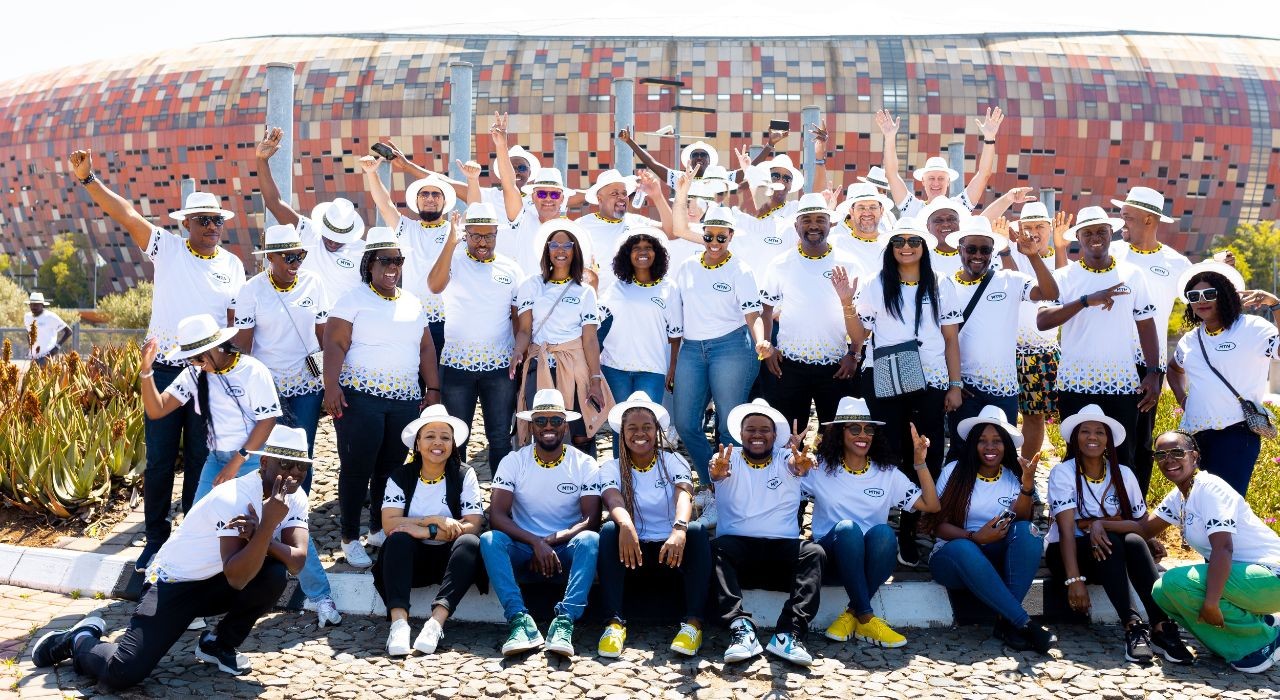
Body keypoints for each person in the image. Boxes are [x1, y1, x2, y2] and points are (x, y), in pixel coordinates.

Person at [68, 148, 246, 571]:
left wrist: (232, 368)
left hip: (209, 376)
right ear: (186, 224)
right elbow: (127, 214)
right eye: (203, 220)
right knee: (161, 460)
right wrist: (89, 179)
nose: (212, 227)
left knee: (203, 459)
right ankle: (155, 540)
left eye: (217, 220)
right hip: (166, 370)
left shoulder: (234, 264)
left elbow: (235, 322)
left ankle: (193, 538)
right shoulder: (167, 247)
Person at [32, 425, 312, 689]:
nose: (294, 473)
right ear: (264, 463)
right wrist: (267, 526)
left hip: (216, 582)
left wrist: (262, 535)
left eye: (302, 466)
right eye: (285, 464)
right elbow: (237, 578)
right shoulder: (234, 498)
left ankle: (218, 644)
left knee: (274, 575)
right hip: (172, 584)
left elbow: (297, 561)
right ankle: (79, 638)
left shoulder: (294, 496)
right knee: (123, 672)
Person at [231, 223, 340, 627]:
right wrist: (240, 395)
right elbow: (242, 346)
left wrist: (330, 383)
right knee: (270, 472)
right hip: (267, 391)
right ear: (270, 259)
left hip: (306, 387)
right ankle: (277, 544)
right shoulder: (252, 290)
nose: (296, 263)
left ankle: (292, 528)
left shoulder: (314, 283)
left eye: (300, 256)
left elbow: (324, 335)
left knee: (298, 468)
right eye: (289, 257)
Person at [323, 226, 440, 568]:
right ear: (369, 264)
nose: (392, 267)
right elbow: (335, 343)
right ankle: (349, 537)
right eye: (385, 260)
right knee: (357, 467)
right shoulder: (351, 300)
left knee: (390, 468)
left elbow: (426, 347)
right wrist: (331, 386)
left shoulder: (412, 301)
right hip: (360, 398)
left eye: (397, 261)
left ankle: (377, 527)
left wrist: (433, 389)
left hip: (404, 399)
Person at [848, 217, 962, 566]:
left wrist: (955, 384)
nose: (907, 247)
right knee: (887, 451)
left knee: (927, 452)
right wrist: (845, 302)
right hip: (886, 377)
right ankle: (879, 522)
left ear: (924, 247)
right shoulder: (876, 283)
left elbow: (951, 338)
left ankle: (910, 527)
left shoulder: (940, 283)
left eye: (914, 241)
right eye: (899, 241)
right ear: (891, 248)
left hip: (930, 380)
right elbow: (859, 336)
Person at [1045, 405, 1194, 665]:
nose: (1092, 437)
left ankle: (1161, 626)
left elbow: (1139, 525)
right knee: (1113, 539)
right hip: (1068, 556)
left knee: (1134, 541)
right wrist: (1074, 580)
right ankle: (1133, 626)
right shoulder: (1063, 472)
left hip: (1111, 555)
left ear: (1108, 440)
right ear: (1075, 438)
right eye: (1085, 431)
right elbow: (1067, 530)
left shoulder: (1123, 473)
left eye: (1100, 432)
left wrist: (1103, 525)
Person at [1038, 206, 1163, 493]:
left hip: (1122, 383)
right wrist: (1086, 300)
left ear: (1111, 233)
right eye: (1088, 233)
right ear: (1078, 238)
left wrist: (1153, 373)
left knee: (1124, 455)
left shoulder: (1132, 274)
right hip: (1075, 383)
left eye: (1101, 232)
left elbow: (1146, 325)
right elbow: (1043, 320)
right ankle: (1075, 512)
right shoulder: (1064, 276)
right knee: (1076, 454)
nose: (1095, 237)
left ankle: (1125, 515)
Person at [668, 202, 772, 526]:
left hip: (732, 347)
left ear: (731, 236)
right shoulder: (687, 267)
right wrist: (673, 362)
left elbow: (753, 315)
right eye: (708, 236)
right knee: (685, 423)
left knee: (728, 427)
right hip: (692, 349)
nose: (714, 243)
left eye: (721, 237)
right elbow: (677, 317)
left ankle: (725, 497)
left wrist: (761, 340)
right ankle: (712, 484)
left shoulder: (741, 269)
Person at [806, 397, 940, 648]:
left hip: (871, 566)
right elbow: (782, 491)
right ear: (839, 433)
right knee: (848, 529)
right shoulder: (818, 468)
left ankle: (853, 613)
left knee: (884, 534)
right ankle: (867, 617)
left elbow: (931, 505)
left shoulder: (886, 473)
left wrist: (919, 461)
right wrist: (788, 464)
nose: (863, 435)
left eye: (869, 429)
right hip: (831, 561)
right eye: (854, 428)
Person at [480, 389, 602, 658]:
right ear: (531, 425)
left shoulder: (585, 464)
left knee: (590, 540)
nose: (549, 427)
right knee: (490, 540)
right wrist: (535, 542)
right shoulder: (513, 461)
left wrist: (550, 541)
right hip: (524, 547)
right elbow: (497, 515)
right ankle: (520, 621)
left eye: (556, 420)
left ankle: (565, 621)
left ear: (565, 426)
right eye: (541, 421)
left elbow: (591, 519)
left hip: (565, 547)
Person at [1147, 430, 1280, 673]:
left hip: (1272, 576)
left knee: (1176, 581)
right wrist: (1097, 525)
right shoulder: (1180, 496)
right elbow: (1142, 528)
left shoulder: (1210, 488)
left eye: (1177, 452)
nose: (1169, 459)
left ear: (1195, 456)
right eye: (1161, 455)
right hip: (1246, 581)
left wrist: (1211, 603)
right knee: (1162, 591)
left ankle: (1264, 642)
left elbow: (1223, 548)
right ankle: (1242, 636)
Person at [926, 406, 1054, 653]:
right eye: (982, 440)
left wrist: (1027, 486)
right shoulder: (954, 471)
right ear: (973, 443)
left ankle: (1005, 624)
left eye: (997, 441)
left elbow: (1021, 520)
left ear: (1006, 445)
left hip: (994, 558)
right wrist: (974, 537)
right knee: (965, 548)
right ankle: (1025, 623)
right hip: (953, 559)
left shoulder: (1012, 476)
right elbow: (936, 526)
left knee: (1029, 532)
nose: (990, 447)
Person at [709, 399, 824, 666]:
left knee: (813, 552)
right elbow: (717, 472)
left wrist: (802, 464)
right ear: (740, 433)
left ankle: (789, 634)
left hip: (780, 555)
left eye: (764, 430)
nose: (757, 435)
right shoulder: (726, 457)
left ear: (775, 435)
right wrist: (716, 473)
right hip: (738, 556)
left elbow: (797, 465)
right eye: (751, 429)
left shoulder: (786, 457)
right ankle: (740, 629)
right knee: (715, 548)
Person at [596, 391, 711, 657]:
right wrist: (626, 525)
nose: (640, 433)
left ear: (657, 430)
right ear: (622, 433)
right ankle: (614, 624)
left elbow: (684, 494)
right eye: (632, 428)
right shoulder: (611, 467)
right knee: (610, 530)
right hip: (632, 552)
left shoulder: (673, 460)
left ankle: (693, 625)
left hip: (670, 551)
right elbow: (612, 499)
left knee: (696, 531)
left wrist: (679, 528)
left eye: (647, 427)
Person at [941, 216, 1058, 461]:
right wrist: (954, 384)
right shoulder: (946, 285)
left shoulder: (1010, 280)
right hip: (965, 390)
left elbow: (1050, 292)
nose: (978, 255)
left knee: (1001, 455)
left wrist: (1033, 256)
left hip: (1003, 390)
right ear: (960, 249)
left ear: (992, 252)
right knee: (963, 454)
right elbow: (941, 339)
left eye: (985, 250)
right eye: (971, 249)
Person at [376, 405, 484, 656]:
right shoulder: (400, 476)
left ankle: (435, 624)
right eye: (430, 436)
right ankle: (399, 625)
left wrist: (427, 531)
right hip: (411, 562)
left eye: (445, 437)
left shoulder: (464, 474)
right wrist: (435, 520)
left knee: (470, 543)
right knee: (398, 539)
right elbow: (390, 523)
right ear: (417, 443)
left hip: (451, 562)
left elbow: (473, 524)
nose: (438, 443)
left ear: (453, 444)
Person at [138, 315, 280, 504]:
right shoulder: (193, 373)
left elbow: (268, 421)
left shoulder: (252, 370)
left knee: (251, 518)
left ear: (218, 346)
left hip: (252, 458)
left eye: (198, 357)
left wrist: (236, 462)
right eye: (190, 358)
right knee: (200, 518)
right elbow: (157, 410)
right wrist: (146, 370)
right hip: (216, 459)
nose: (196, 363)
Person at [1169, 261, 1280, 496]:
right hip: (1194, 438)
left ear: (1225, 294)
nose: (1201, 300)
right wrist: (1183, 400)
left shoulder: (1253, 328)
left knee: (1225, 504)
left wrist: (1275, 305)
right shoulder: (1189, 340)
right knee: (1196, 503)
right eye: (1194, 296)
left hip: (1237, 435)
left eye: (1209, 293)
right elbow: (1174, 369)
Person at [428, 203, 523, 470]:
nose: (482, 242)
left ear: (496, 234)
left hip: (500, 367)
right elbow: (434, 286)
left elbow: (517, 319)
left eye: (488, 236)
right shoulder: (453, 261)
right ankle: (455, 492)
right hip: (457, 366)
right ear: (466, 234)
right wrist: (450, 243)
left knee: (500, 437)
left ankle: (502, 492)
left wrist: (521, 355)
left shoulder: (511, 269)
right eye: (475, 236)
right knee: (456, 438)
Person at [1109, 187, 1192, 491]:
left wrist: (1156, 372)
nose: (1122, 223)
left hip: (1148, 368)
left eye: (1127, 217)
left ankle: (1135, 510)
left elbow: (1203, 305)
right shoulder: (1111, 253)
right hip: (1106, 361)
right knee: (1100, 437)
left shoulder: (1177, 264)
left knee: (1139, 442)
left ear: (1148, 219)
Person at [761, 193, 866, 427]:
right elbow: (766, 310)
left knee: (835, 436)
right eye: (806, 220)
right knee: (790, 435)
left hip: (837, 366)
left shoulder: (849, 263)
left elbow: (861, 318)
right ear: (796, 225)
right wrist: (769, 348)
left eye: (820, 219)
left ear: (830, 224)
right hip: (789, 366)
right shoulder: (780, 264)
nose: (813, 226)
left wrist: (854, 354)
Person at [513, 219, 613, 456]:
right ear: (546, 249)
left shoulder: (585, 291)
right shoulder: (531, 285)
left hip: (576, 365)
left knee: (580, 431)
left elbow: (590, 339)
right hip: (540, 363)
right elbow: (525, 330)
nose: (560, 250)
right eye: (554, 245)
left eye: (567, 245)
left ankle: (585, 474)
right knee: (543, 427)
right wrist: (517, 351)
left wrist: (595, 379)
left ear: (575, 251)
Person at [254, 126, 366, 301]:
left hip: (344, 318)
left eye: (339, 238)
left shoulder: (364, 253)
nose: (332, 242)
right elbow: (274, 203)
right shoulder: (308, 231)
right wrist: (262, 161)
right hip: (305, 316)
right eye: (329, 235)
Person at [596, 229, 683, 456]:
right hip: (615, 367)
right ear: (627, 254)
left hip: (652, 369)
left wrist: (673, 367)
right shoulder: (617, 287)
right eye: (636, 248)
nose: (642, 253)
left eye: (648, 248)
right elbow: (598, 323)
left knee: (646, 425)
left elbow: (675, 335)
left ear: (658, 253)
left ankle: (645, 473)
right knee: (621, 426)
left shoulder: (669, 287)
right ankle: (621, 472)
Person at [363, 157, 455, 359]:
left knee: (443, 376)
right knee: (414, 373)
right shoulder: (406, 228)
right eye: (424, 194)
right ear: (417, 200)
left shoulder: (454, 231)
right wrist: (371, 173)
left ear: (444, 201)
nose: (430, 198)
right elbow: (385, 205)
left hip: (449, 321)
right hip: (412, 317)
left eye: (436, 194)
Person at [1003, 203, 1073, 461]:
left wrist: (1061, 248)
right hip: (1008, 349)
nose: (1034, 232)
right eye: (1028, 227)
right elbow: (1013, 284)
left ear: (1050, 228)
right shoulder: (1009, 252)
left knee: (1035, 417)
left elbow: (1062, 293)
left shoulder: (1062, 259)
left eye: (1040, 226)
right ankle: (1005, 468)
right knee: (1003, 415)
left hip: (1043, 350)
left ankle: (1026, 472)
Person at [876, 107, 1004, 219]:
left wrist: (989, 138)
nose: (936, 183)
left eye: (941, 178)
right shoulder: (912, 207)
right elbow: (891, 175)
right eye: (931, 178)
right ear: (923, 181)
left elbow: (983, 174)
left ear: (948, 181)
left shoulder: (959, 206)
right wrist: (889, 137)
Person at [830, 183, 893, 273]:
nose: (867, 213)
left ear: (881, 211)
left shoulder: (893, 245)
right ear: (851, 212)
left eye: (873, 207)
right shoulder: (836, 244)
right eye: (861, 208)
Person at [23, 291, 71, 365]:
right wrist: (30, 349)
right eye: (31, 304)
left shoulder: (50, 316)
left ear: (42, 305)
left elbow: (68, 332)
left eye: (36, 305)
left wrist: (57, 347)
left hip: (48, 356)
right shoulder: (27, 317)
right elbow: (28, 333)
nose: (33, 307)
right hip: (34, 357)